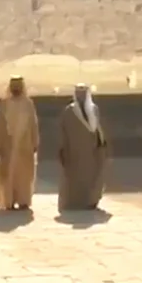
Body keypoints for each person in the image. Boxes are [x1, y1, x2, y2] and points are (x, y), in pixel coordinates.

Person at [58, 83, 111, 211]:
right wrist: (63, 150)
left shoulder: (94, 109)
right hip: (75, 151)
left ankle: (91, 201)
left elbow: (97, 129)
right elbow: (64, 132)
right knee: (75, 178)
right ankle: (76, 201)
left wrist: (102, 145)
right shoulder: (69, 111)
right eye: (78, 93)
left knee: (93, 177)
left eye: (83, 94)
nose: (80, 96)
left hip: (92, 151)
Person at [0, 76, 40, 211]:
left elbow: (33, 124)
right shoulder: (4, 104)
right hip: (8, 146)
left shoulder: (28, 104)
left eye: (18, 86)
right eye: (14, 86)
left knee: (24, 176)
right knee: (8, 175)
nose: (16, 89)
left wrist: (35, 142)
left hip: (25, 146)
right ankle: (9, 201)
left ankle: (24, 200)